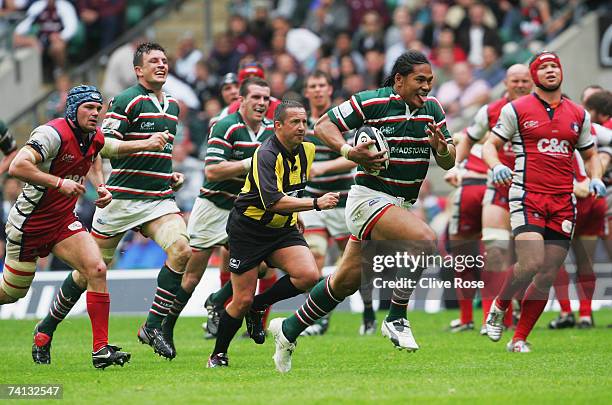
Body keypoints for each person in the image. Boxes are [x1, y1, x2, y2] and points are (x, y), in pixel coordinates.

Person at [268, 50, 455, 373]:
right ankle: (396, 317)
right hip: (369, 198)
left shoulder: (432, 109)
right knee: (425, 240)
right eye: (419, 80)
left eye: (429, 81)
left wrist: (442, 149)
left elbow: (449, 159)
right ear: (399, 80)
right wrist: (349, 151)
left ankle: (288, 330)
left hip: (401, 204)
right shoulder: (372, 102)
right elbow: (325, 124)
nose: (426, 87)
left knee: (344, 283)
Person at [4, 85, 165, 368]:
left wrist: (100, 186)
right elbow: (17, 166)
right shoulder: (50, 133)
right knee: (12, 293)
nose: (95, 113)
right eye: (89, 108)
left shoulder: (93, 136)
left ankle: (100, 350)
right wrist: (58, 182)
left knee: (97, 268)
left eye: (98, 108)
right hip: (29, 224)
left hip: (62, 221)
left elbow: (95, 156)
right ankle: (45, 333)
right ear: (73, 109)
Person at [482, 51, 604, 352]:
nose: (550, 71)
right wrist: (495, 164)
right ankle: (500, 304)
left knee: (548, 273)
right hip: (526, 195)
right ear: (535, 75)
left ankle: (519, 338)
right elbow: (490, 145)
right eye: (544, 67)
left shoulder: (579, 114)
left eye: (555, 66)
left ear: (561, 72)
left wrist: (595, 177)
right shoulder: (516, 109)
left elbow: (590, 155)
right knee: (531, 262)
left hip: (563, 201)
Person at [207, 100, 340, 368]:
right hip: (249, 230)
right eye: (295, 122)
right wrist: (314, 204)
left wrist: (297, 212)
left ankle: (260, 306)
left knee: (309, 275)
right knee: (240, 299)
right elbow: (272, 201)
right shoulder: (265, 154)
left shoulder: (308, 150)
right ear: (278, 125)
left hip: (282, 229)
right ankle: (218, 354)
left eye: (304, 122)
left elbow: (291, 190)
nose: (302, 127)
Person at [161, 77, 275, 344]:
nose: (261, 103)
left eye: (265, 99)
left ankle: (217, 300)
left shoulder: (271, 131)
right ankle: (164, 328)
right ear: (242, 100)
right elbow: (212, 169)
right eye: (255, 97)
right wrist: (250, 163)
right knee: (191, 275)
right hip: (213, 206)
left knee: (262, 265)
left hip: (245, 210)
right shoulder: (225, 125)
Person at [448, 64, 533, 333]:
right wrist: (455, 167)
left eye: (524, 81)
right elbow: (467, 139)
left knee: (535, 262)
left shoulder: (546, 111)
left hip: (532, 191)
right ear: (505, 83)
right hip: (495, 188)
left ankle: (517, 316)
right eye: (514, 80)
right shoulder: (491, 111)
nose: (519, 85)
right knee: (494, 253)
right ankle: (491, 318)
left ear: (532, 83)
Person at [299, 70, 358, 336]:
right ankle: (318, 318)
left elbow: (358, 155)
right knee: (315, 256)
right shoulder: (301, 122)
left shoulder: (342, 120)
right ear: (307, 91)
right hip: (313, 199)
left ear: (330, 89)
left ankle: (368, 314)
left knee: (353, 263)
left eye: (322, 85)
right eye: (313, 85)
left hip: (343, 200)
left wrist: (322, 168)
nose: (318, 90)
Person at [549, 89, 612, 329]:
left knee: (553, 261)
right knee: (585, 260)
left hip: (566, 199)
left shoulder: (548, 130)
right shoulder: (588, 125)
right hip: (593, 200)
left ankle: (566, 312)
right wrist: (605, 156)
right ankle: (585, 315)